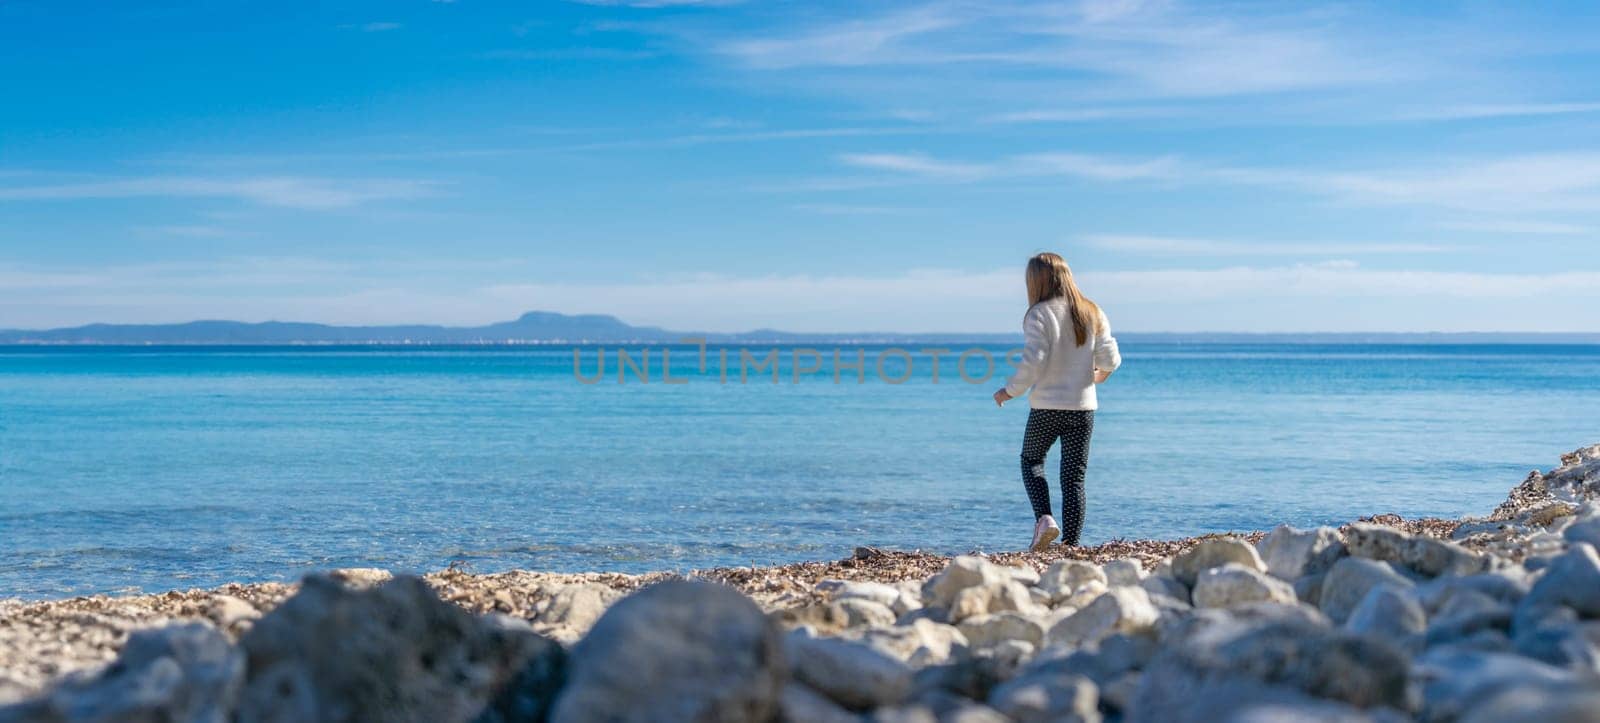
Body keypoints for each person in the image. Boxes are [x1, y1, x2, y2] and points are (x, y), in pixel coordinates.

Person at [993, 252, 1121, 551]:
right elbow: (1110, 359)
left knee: (1031, 460)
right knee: (1074, 477)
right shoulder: (1092, 311)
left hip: (1047, 408)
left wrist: (1010, 391)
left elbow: (1033, 362)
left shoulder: (1039, 313)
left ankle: (1045, 519)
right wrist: (1098, 376)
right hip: (1083, 409)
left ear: (1036, 281)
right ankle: (1072, 544)